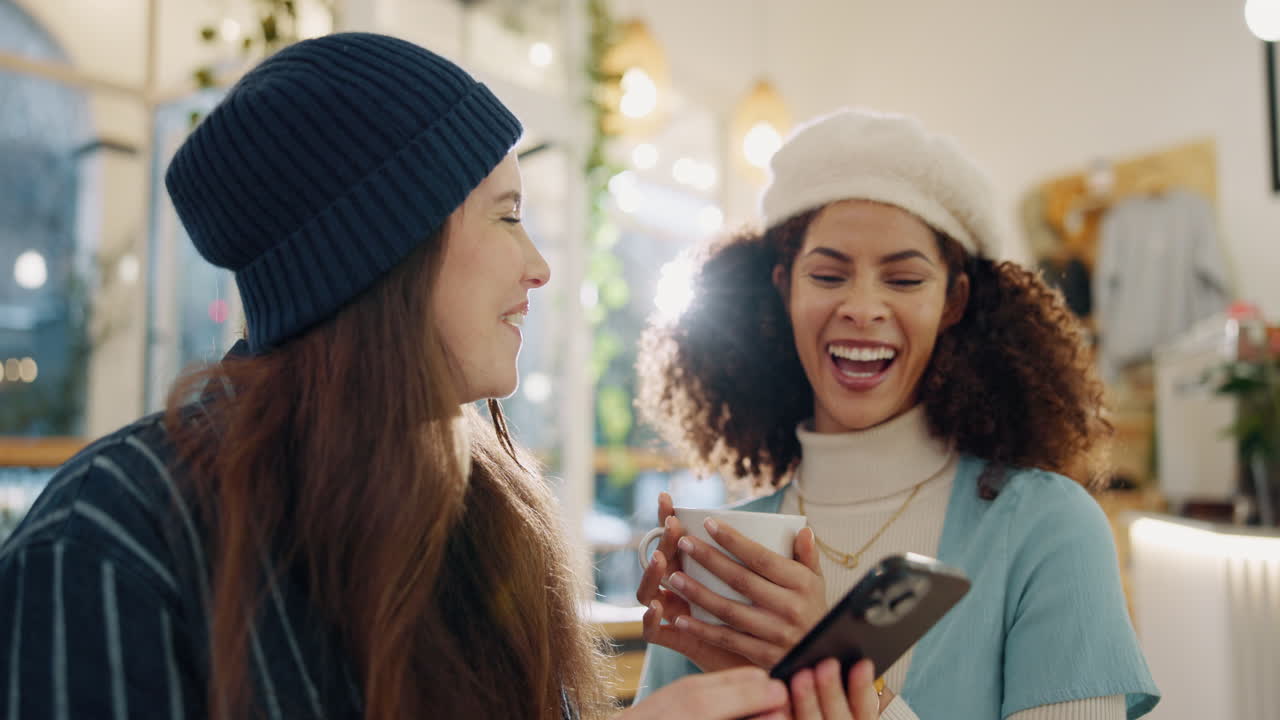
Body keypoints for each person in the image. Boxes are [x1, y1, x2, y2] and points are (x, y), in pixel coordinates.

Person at [0, 32, 874, 720]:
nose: (537, 266)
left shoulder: (480, 526)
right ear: (385, 251)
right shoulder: (114, 535)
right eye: (507, 217)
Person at [633, 108, 1160, 719]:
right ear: (784, 291)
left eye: (905, 279)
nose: (862, 307)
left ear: (953, 301)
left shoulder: (1047, 529)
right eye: (828, 275)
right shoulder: (718, 560)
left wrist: (833, 675)